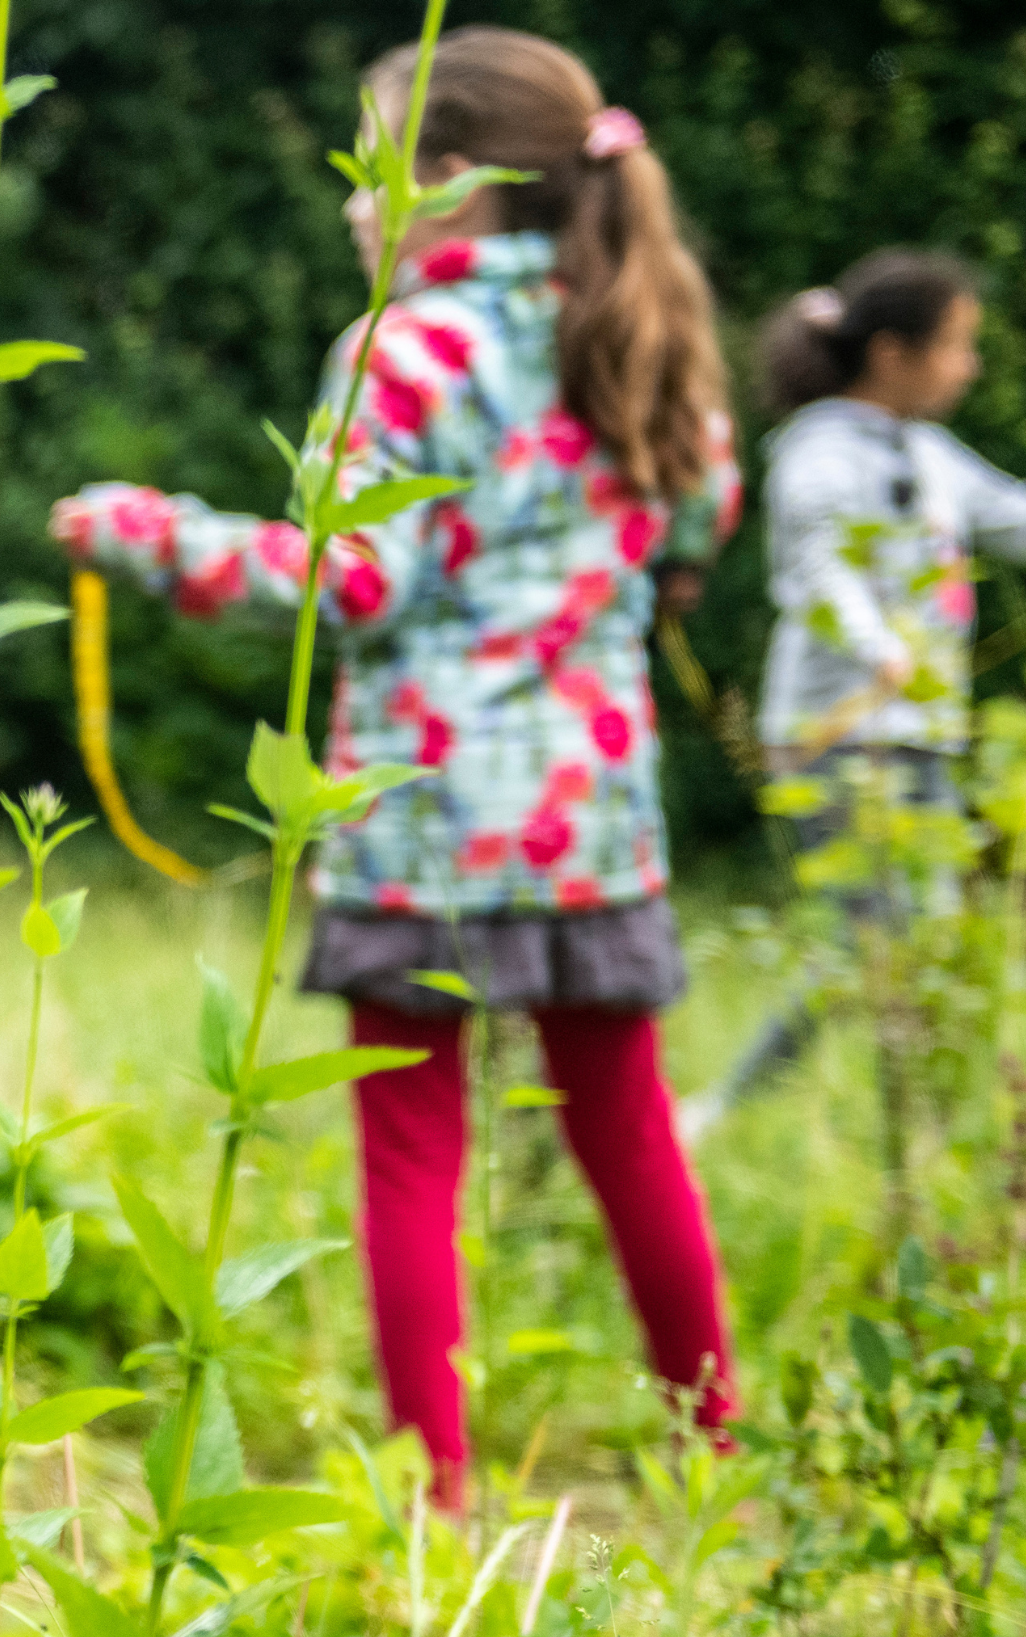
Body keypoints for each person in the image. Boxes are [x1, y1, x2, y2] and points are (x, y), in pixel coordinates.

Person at [53, 29, 741, 1503]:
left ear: (459, 184)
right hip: (594, 822)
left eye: (372, 171)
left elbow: (348, 584)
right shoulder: (640, 323)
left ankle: (437, 1490)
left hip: (422, 821)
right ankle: (716, 1449)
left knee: (415, 1152)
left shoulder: (401, 347)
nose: (354, 207)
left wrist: (148, 531)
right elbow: (698, 520)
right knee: (631, 1137)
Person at [683, 250, 1026, 1131]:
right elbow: (815, 572)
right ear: (895, 352)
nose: (970, 365)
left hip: (922, 736)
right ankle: (731, 1112)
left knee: (924, 941)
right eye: (956, 345)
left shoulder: (930, 453)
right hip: (838, 734)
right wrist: (876, 648)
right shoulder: (814, 453)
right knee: (868, 941)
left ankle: (922, 1134)